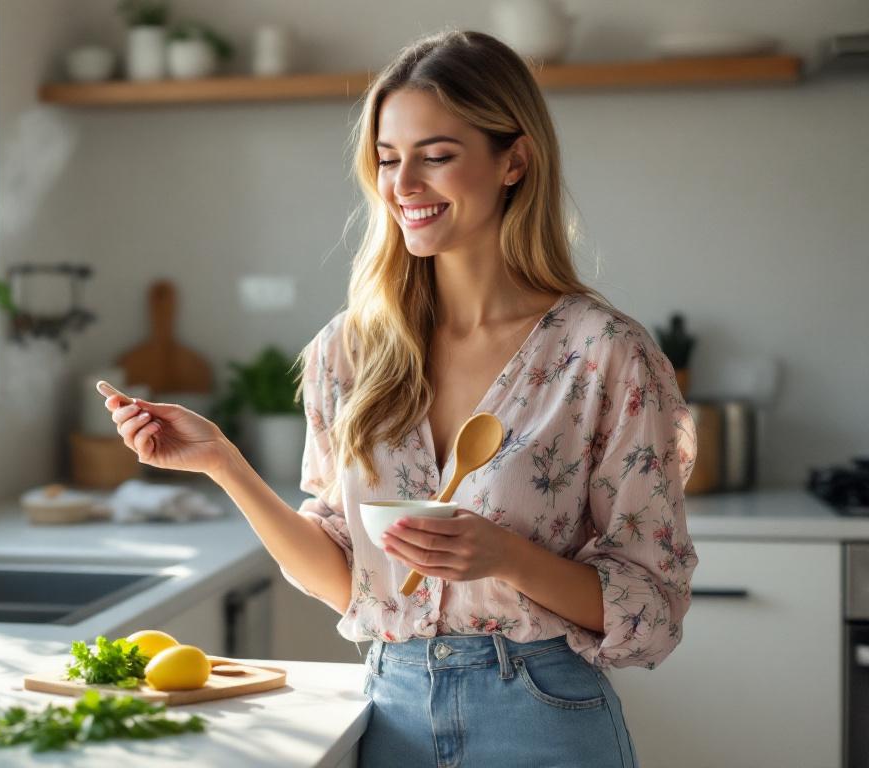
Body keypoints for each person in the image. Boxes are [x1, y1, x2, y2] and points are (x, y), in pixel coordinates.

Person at [99, 29, 695, 768]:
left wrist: (506, 557)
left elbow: (652, 608)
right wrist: (223, 463)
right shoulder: (349, 351)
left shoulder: (605, 353)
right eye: (387, 159)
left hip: (544, 717)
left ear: (514, 161)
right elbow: (347, 582)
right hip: (389, 715)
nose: (403, 184)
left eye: (435, 156)